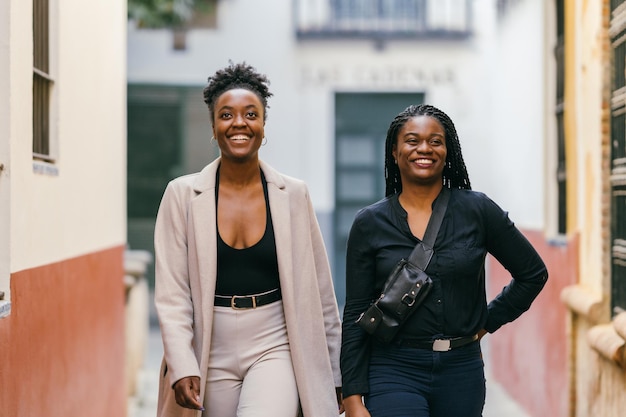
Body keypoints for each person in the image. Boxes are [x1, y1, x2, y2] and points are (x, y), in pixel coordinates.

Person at [154, 62, 343, 417]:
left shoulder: (294, 195)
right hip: (209, 343)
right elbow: (171, 294)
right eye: (227, 114)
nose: (239, 123)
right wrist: (182, 363)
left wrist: (333, 368)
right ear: (213, 126)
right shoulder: (181, 195)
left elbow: (320, 291)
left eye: (250, 114)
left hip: (275, 342)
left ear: (263, 124)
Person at [340, 104, 548, 417]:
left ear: (447, 152)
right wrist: (353, 397)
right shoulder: (369, 223)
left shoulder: (478, 210)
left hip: (461, 370)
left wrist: (488, 322)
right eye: (412, 140)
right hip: (394, 367)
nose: (424, 148)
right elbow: (356, 310)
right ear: (394, 153)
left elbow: (533, 274)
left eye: (435, 141)